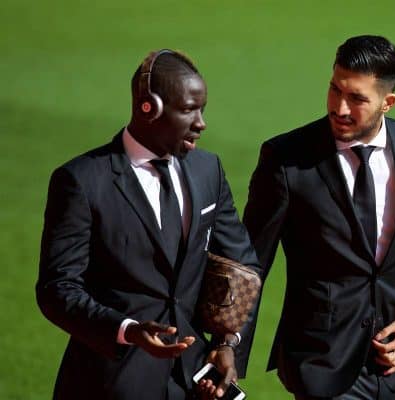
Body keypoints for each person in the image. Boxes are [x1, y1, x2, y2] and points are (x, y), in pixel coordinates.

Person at [241, 35, 395, 399]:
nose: (340, 108)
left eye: (357, 99)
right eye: (335, 90)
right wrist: (228, 352)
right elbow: (249, 265)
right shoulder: (286, 158)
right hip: (320, 363)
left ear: (388, 102)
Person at [36, 49, 259, 400]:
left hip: (192, 381)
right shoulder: (81, 181)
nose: (201, 122)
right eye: (188, 110)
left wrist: (227, 341)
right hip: (110, 382)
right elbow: (57, 289)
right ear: (148, 107)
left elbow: (241, 262)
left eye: (202, 109)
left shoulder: (208, 171)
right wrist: (127, 330)